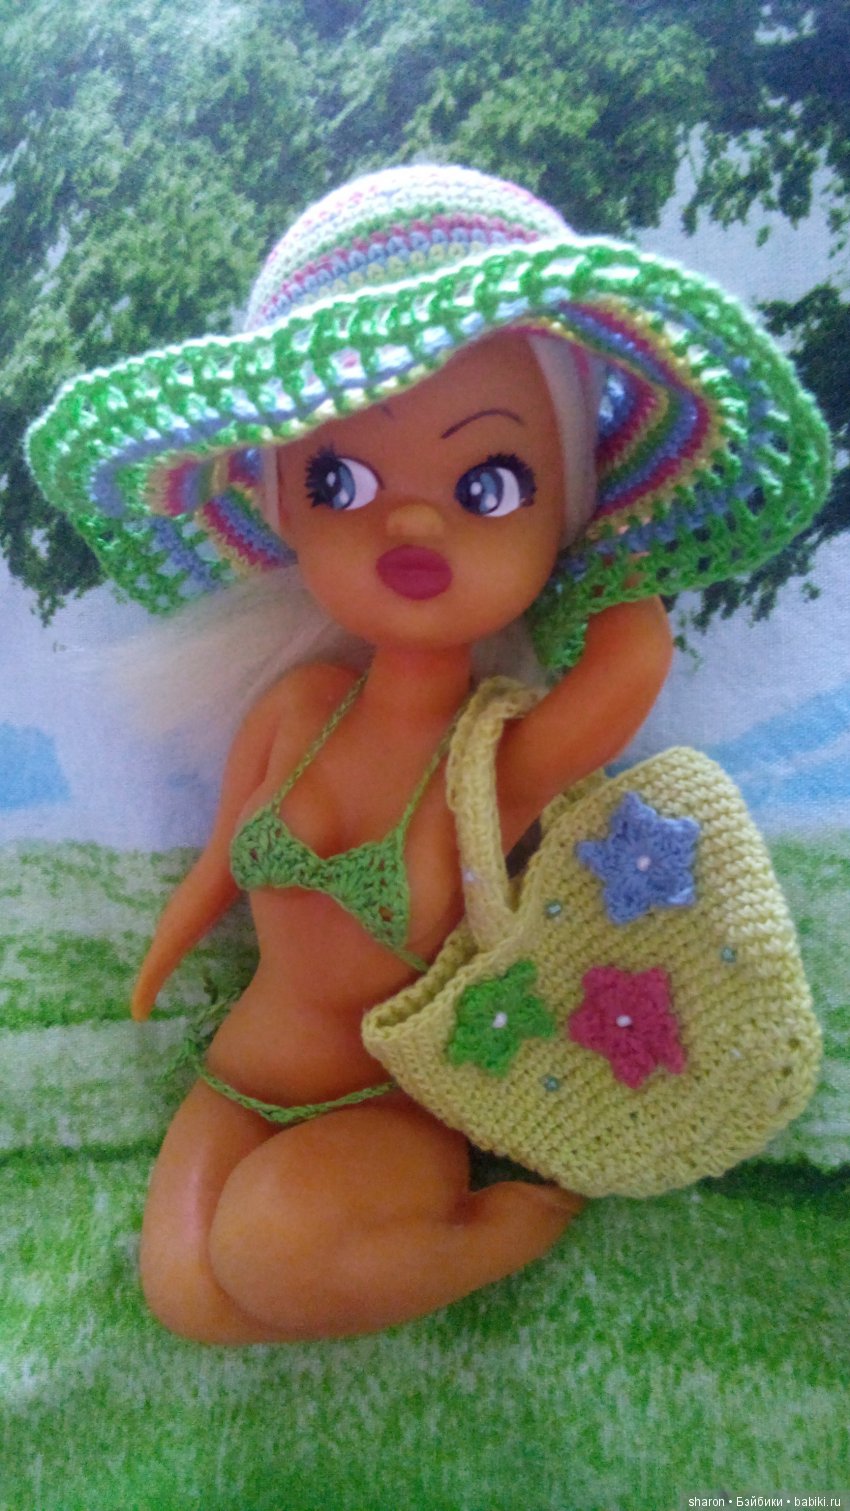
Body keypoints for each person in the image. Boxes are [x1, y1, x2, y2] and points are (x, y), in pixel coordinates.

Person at [26, 164, 830, 1343]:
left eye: (489, 483)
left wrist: (604, 542)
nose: (410, 520)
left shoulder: (489, 759)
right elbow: (218, 861)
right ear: (282, 500)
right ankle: (341, 1253)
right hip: (238, 1074)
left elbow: (630, 662)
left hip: (387, 1099)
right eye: (339, 479)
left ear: (559, 511)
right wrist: (163, 951)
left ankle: (511, 1220)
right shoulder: (300, 705)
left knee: (265, 1248)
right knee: (190, 1297)